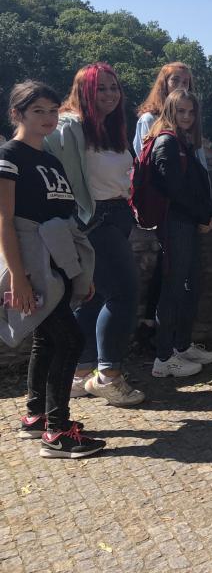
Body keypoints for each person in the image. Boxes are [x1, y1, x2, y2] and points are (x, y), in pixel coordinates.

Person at [2, 81, 105, 457]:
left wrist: (79, 273)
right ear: (17, 114)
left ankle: (36, 416)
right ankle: (58, 433)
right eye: (37, 111)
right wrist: (18, 278)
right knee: (70, 340)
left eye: (52, 110)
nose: (47, 118)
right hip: (33, 265)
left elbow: (64, 217)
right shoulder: (9, 156)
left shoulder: (49, 159)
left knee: (47, 339)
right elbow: (4, 221)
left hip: (58, 260)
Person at [44, 63, 145, 406]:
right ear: (84, 90)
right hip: (93, 219)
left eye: (114, 87)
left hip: (117, 215)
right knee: (124, 292)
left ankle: (79, 372)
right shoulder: (69, 126)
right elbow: (47, 163)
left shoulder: (111, 129)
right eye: (101, 88)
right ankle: (109, 376)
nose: (110, 94)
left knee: (94, 296)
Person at [145, 89, 212, 377]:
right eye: (181, 111)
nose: (187, 117)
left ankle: (182, 346)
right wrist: (203, 215)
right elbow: (175, 190)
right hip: (175, 224)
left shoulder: (182, 142)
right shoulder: (167, 142)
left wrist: (205, 214)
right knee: (173, 289)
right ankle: (163, 359)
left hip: (187, 223)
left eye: (191, 111)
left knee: (190, 286)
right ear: (169, 112)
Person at [133, 62, 202, 351]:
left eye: (186, 81)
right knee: (172, 282)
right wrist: (200, 211)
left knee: (184, 282)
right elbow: (157, 174)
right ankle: (163, 350)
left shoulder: (185, 130)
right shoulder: (155, 124)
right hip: (173, 215)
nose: (182, 85)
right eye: (176, 80)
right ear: (164, 84)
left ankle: (178, 345)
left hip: (187, 215)